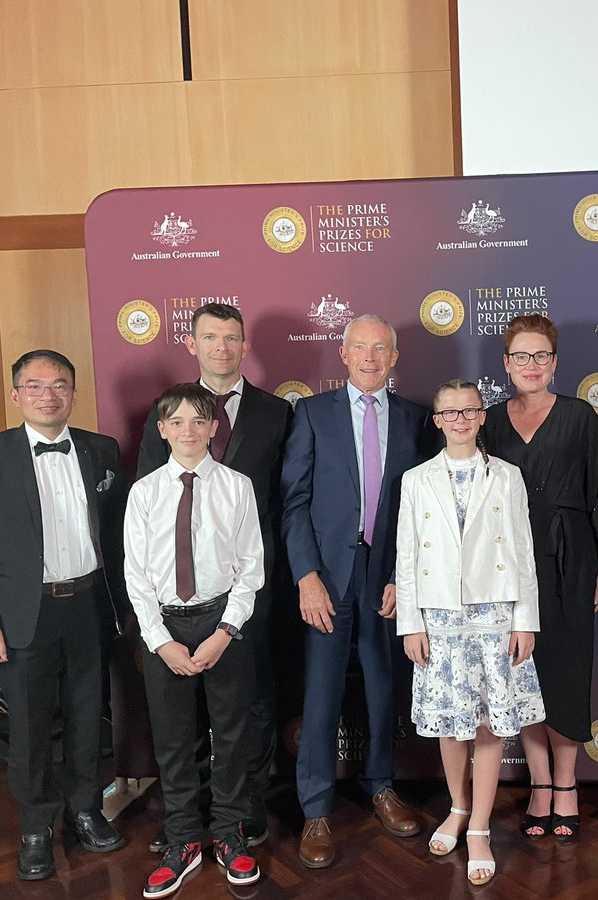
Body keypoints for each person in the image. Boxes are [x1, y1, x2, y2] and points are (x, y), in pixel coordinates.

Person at [0, 349, 127, 880]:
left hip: (90, 606)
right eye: (35, 386)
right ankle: (34, 828)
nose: (48, 395)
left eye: (59, 385)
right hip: (21, 615)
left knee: (85, 716)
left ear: (74, 393)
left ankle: (85, 810)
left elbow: (120, 537)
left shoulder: (103, 450)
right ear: (16, 395)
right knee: (28, 725)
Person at [281, 313, 434, 868]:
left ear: (394, 358)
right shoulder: (312, 413)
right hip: (325, 575)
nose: (370, 358)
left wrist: (404, 575)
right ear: (343, 354)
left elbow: (423, 508)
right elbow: (293, 501)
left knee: (382, 687)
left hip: (387, 574)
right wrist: (306, 576)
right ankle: (316, 808)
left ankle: (381, 787)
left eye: (381, 349)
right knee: (320, 693)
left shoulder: (417, 419)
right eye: (359, 348)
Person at [137, 302, 291, 849]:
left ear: (244, 345)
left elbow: (286, 501)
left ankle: (241, 814)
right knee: (179, 719)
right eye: (210, 337)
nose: (221, 347)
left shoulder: (278, 413)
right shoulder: (171, 413)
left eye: (231, 337)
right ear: (193, 343)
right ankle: (187, 817)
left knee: (247, 706)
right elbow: (144, 527)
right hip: (173, 601)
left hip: (247, 588)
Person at [396, 379, 546, 885]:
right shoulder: (416, 479)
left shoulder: (507, 476)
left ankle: (479, 825)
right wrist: (410, 623)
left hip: (494, 613)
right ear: (436, 421)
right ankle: (458, 808)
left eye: (469, 411)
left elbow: (523, 551)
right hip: (438, 616)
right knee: (449, 721)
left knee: (487, 722)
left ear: (482, 417)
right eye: (449, 413)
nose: (460, 420)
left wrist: (526, 618)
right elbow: (408, 554)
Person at [482, 314, 598, 841]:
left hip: (571, 557)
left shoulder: (581, 416)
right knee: (524, 676)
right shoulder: (489, 421)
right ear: (506, 363)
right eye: (521, 356)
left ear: (555, 362)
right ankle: (539, 784)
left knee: (564, 670)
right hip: (508, 563)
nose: (532, 365)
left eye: (541, 356)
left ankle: (566, 786)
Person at [125, 383, 264, 896]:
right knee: (173, 739)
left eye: (198, 421)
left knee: (230, 737)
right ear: (162, 430)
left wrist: (226, 631)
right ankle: (183, 838)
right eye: (177, 422)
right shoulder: (144, 492)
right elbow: (135, 575)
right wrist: (160, 641)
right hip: (165, 626)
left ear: (213, 428)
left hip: (223, 622)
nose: (188, 430)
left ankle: (228, 834)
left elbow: (251, 568)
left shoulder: (237, 486)